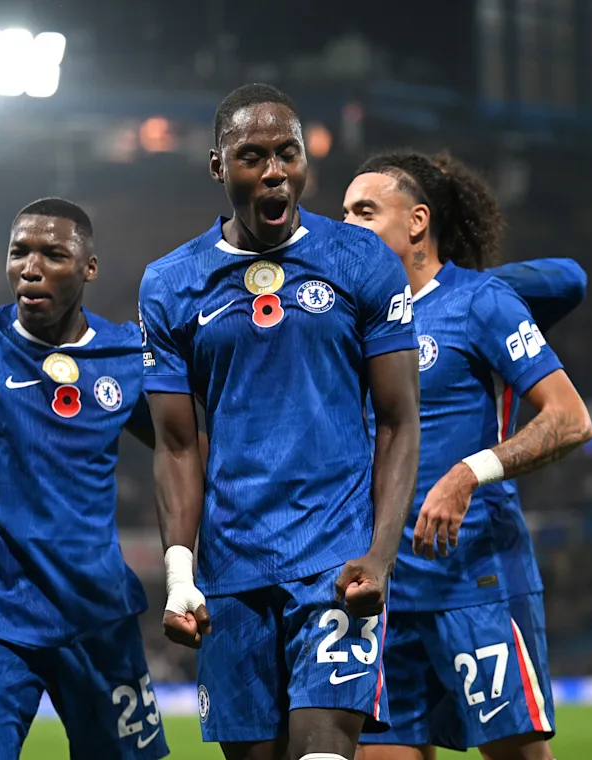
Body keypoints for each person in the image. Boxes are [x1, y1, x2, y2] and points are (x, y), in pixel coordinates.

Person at [139, 83, 422, 760]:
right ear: (218, 167)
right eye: (253, 156)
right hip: (232, 570)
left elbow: (400, 421)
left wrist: (380, 555)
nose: (274, 171)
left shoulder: (362, 263)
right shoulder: (171, 283)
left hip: (334, 560)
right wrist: (181, 576)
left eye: (287, 153)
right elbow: (177, 444)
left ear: (305, 163)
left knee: (321, 753)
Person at [342, 151, 592, 760]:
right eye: (343, 212)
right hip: (382, 588)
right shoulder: (354, 325)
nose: (347, 226)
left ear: (418, 221)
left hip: (473, 579)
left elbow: (570, 418)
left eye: (366, 211)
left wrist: (467, 473)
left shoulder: (479, 302)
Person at [0, 198, 168, 760]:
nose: (31, 267)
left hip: (99, 618)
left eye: (53, 254)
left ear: (89, 268)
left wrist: (189, 564)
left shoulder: (126, 353)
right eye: (19, 252)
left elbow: (183, 445)